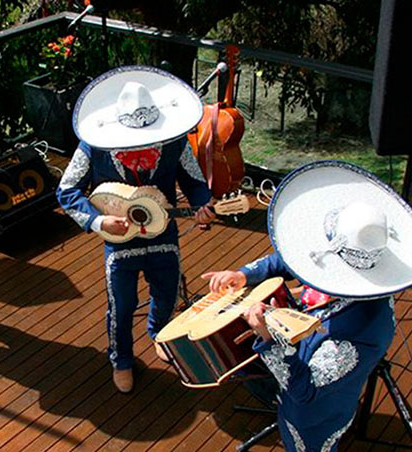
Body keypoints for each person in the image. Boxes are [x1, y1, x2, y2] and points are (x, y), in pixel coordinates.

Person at [202, 160, 412, 452]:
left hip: (313, 418)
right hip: (301, 347)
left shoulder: (363, 331)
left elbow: (306, 392)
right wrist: (243, 274)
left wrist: (267, 339)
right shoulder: (345, 265)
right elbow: (290, 261)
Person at [57, 66, 217, 393]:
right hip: (119, 241)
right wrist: (98, 221)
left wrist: (204, 205)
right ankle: (122, 359)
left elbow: (195, 181)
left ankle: (160, 333)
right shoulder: (93, 146)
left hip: (164, 234)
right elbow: (67, 189)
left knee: (168, 291)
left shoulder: (175, 143)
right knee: (122, 303)